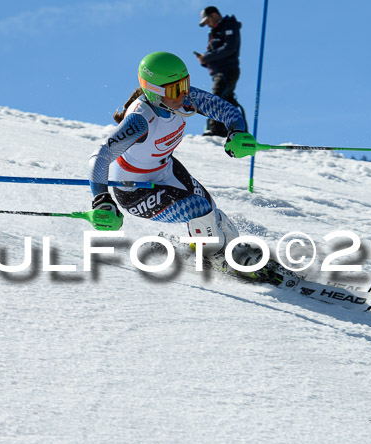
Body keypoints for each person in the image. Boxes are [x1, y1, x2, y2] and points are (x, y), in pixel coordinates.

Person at [87, 51, 256, 258]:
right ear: (154, 92)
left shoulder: (183, 100)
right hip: (134, 191)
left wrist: (236, 132)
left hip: (165, 170)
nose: (184, 95)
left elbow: (227, 110)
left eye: (185, 85)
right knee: (199, 210)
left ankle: (231, 252)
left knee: (212, 213)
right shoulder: (140, 120)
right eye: (176, 90)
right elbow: (101, 156)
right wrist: (102, 199)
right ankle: (216, 259)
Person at [195, 6, 244, 137]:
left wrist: (207, 57)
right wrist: (205, 60)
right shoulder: (214, 33)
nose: (207, 24)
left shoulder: (228, 27)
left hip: (227, 71)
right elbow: (217, 54)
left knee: (217, 97)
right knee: (227, 99)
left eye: (207, 20)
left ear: (215, 15)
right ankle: (231, 130)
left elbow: (229, 48)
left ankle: (216, 130)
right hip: (219, 72)